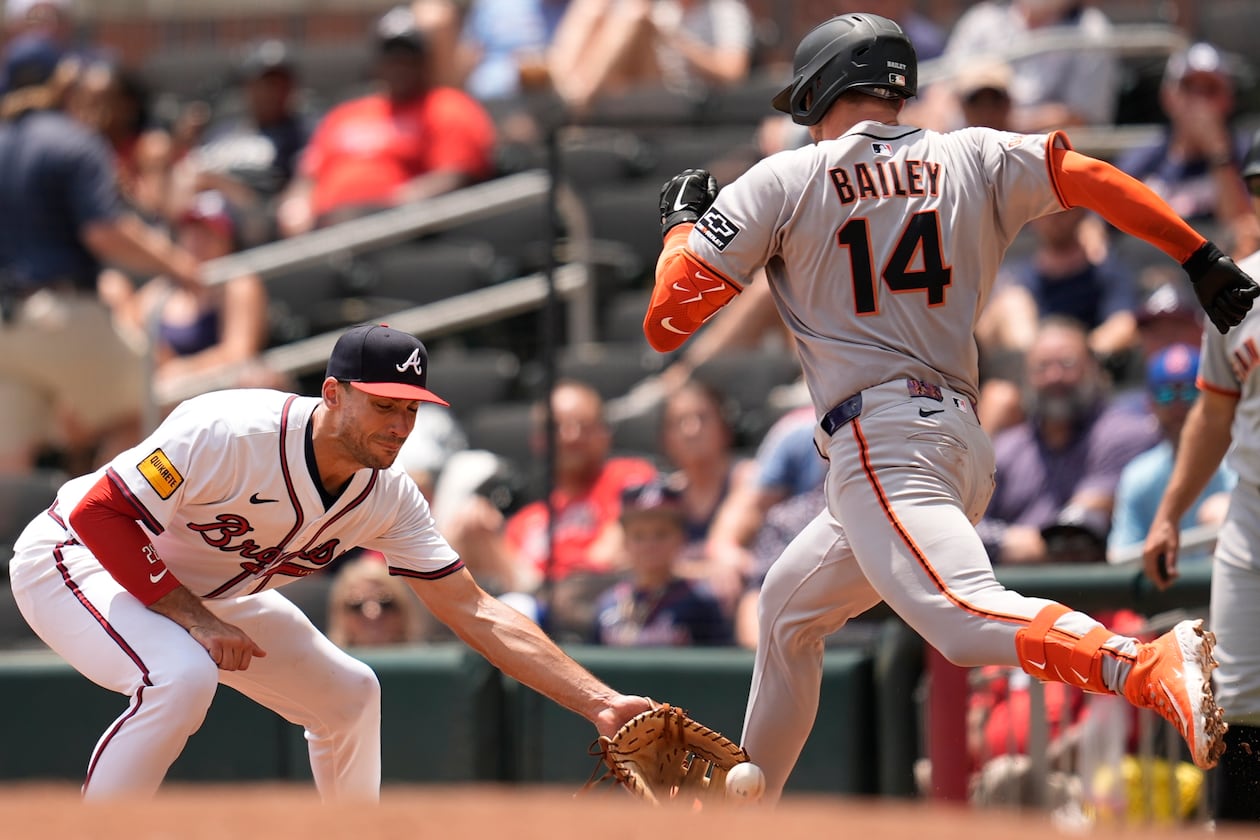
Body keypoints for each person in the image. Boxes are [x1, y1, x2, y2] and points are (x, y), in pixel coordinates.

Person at [642, 13, 1257, 804]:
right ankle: (740, 807)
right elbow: (1093, 176)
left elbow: (668, 322)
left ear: (822, 88)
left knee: (962, 623)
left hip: (883, 440)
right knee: (788, 611)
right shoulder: (971, 150)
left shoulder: (787, 176)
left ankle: (1141, 664)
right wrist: (1199, 255)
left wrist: (682, 229)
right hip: (959, 441)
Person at [5, 323, 653, 801]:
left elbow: (476, 611)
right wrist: (196, 621)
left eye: (410, 409)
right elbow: (99, 514)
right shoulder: (228, 430)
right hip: (76, 560)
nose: (399, 426)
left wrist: (598, 702)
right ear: (334, 394)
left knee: (348, 696)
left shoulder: (388, 499)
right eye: (383, 404)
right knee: (180, 676)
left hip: (206, 594)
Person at [0, 34, 205, 475]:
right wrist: (179, 266)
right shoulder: (72, 140)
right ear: (62, 82)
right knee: (157, 406)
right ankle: (105, 535)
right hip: (59, 315)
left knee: (11, 460)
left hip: (6, 328)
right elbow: (105, 232)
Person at [1142, 131, 1260, 825]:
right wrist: (1170, 512)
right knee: (1236, 705)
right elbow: (1211, 419)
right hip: (1249, 520)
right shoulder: (1238, 293)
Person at [442, 379, 657, 638]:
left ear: (604, 433)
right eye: (558, 428)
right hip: (528, 613)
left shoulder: (628, 478)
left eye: (583, 426)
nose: (570, 436)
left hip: (599, 609)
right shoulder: (528, 518)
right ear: (539, 440)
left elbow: (605, 559)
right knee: (468, 524)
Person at [276, 5, 496, 236]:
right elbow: (308, 176)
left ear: (424, 62)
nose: (398, 66)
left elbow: (454, 178)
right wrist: (296, 205)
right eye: (391, 57)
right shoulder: (345, 113)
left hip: (396, 234)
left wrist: (380, 209)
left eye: (407, 58)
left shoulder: (448, 107)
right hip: (321, 232)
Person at [977, 317, 1160, 566]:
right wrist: (1005, 541)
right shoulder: (1007, 447)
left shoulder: (1125, 433)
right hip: (1011, 593)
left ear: (1095, 368)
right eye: (1042, 367)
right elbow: (967, 525)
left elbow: (1077, 534)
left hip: (1097, 593)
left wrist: (1023, 543)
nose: (1055, 376)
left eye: (1067, 364)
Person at [1115, 42, 1259, 260]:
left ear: (1228, 99)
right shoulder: (1146, 156)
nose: (1199, 101)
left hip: (1217, 270)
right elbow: (1100, 225)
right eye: (1190, 88)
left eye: (1210, 90)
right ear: (1169, 97)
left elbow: (1244, 229)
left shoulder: (1246, 153)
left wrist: (1218, 152)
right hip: (1153, 272)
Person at [176, 39, 312, 247]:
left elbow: (282, 206)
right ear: (247, 86)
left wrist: (219, 183)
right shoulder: (221, 131)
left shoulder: (301, 133)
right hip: (198, 221)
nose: (272, 91)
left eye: (279, 83)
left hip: (253, 231)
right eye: (264, 83)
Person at [1107, 343, 1234, 565]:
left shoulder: (1238, 463)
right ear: (1150, 404)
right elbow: (1120, 558)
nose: (1178, 408)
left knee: (1217, 511)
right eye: (1166, 395)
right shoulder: (1139, 475)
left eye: (1189, 393)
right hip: (1165, 594)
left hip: (1231, 585)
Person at [547, 0, 754, 114]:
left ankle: (573, 102)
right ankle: (564, 91)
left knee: (636, 16)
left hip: (686, 95)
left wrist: (675, 41)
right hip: (643, 82)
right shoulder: (666, 7)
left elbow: (733, 73)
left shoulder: (726, 10)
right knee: (593, 6)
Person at [590, 479, 732, 646]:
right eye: (639, 536)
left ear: (681, 538)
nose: (650, 544)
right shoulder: (608, 603)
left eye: (661, 534)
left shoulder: (701, 602)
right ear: (625, 541)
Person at [325, 552, 429, 648]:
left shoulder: (428, 664)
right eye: (356, 605)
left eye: (386, 603)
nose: (372, 614)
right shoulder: (322, 665)